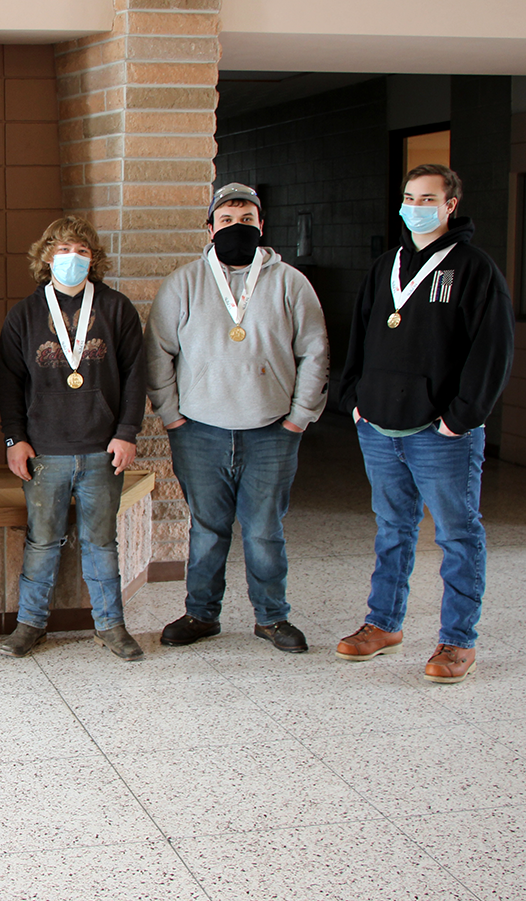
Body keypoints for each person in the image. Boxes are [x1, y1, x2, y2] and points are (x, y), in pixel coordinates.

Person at [336, 163, 514, 684]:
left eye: (428, 198)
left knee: (458, 534)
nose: (417, 206)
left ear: (450, 205)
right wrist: (353, 399)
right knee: (392, 529)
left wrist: (460, 419)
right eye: (410, 197)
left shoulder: (475, 269)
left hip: (441, 434)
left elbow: (493, 352)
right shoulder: (385, 265)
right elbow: (361, 334)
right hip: (379, 427)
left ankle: (458, 641)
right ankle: (384, 624)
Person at [146, 183, 329, 654]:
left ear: (261, 226)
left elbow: (315, 351)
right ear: (209, 228)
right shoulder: (183, 282)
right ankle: (201, 614)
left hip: (271, 431)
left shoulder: (291, 282)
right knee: (207, 529)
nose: (237, 227)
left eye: (246, 219)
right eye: (226, 220)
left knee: (265, 530)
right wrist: (171, 416)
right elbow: (158, 354)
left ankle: (271, 618)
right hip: (199, 431)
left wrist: (299, 418)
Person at [0, 215, 149, 661]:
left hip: (103, 450)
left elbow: (137, 377)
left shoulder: (117, 309)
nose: (72, 258)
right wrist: (13, 439)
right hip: (45, 452)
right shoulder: (24, 314)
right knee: (41, 542)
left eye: (82, 251)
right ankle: (30, 624)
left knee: (101, 543)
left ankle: (111, 626)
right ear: (46, 258)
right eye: (62, 250)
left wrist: (126, 433)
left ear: (94, 259)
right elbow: (8, 383)